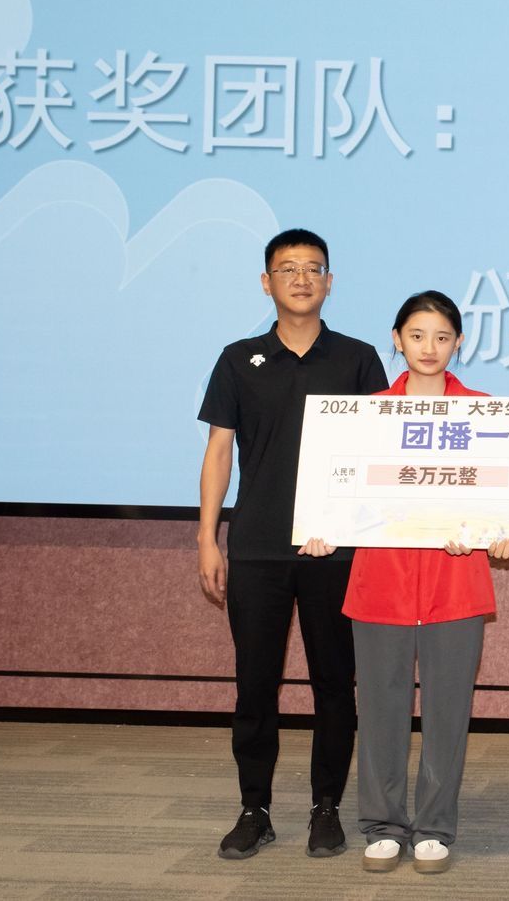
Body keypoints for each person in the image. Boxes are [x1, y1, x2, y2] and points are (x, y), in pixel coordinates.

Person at [300, 291, 509, 875]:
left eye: (442, 337)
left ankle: (435, 827)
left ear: (458, 344)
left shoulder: (484, 413)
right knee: (380, 710)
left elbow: (506, 499)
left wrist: (503, 533)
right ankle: (382, 825)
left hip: (456, 584)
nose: (429, 347)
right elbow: (338, 493)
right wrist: (322, 528)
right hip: (381, 583)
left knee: (448, 712)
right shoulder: (365, 414)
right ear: (396, 340)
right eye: (417, 335)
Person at [197, 229, 387, 860]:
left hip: (336, 551)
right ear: (266, 282)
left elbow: (378, 454)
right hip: (257, 548)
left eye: (313, 268)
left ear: (330, 282)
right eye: (288, 268)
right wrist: (206, 537)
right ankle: (254, 809)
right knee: (254, 686)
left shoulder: (358, 359)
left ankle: (325, 807)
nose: (301, 278)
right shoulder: (238, 358)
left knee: (335, 684)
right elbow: (219, 451)